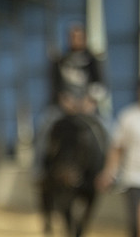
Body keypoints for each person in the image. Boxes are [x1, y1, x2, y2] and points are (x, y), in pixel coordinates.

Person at [34, 24, 107, 180]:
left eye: (79, 37)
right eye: (73, 37)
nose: (76, 40)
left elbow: (100, 86)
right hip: (63, 107)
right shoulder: (60, 61)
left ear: (85, 39)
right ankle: (39, 169)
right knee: (43, 125)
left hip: (87, 107)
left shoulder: (93, 61)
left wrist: (90, 101)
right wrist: (64, 101)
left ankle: (106, 172)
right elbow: (54, 87)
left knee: (107, 127)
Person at [98, 80, 140, 237]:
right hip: (134, 179)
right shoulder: (128, 117)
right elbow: (117, 149)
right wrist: (109, 173)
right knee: (134, 225)